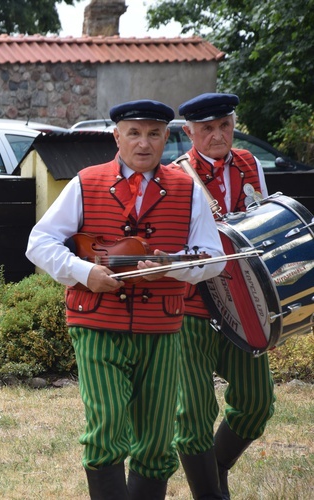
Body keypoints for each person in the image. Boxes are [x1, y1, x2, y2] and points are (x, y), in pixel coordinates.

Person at [26, 100, 225, 499]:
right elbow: (39, 243)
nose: (144, 143)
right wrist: (86, 273)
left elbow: (214, 258)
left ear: (166, 138)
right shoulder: (86, 181)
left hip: (162, 327)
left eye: (153, 134)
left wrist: (169, 267)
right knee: (107, 426)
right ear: (116, 136)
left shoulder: (188, 190)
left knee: (155, 439)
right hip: (97, 323)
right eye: (133, 133)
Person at [171, 93, 274, 500]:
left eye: (225, 125)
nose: (218, 135)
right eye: (207, 128)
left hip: (246, 302)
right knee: (193, 413)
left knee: (257, 403)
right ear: (189, 132)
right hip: (194, 304)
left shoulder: (250, 163)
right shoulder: (176, 177)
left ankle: (215, 467)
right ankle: (210, 493)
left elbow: (262, 217)